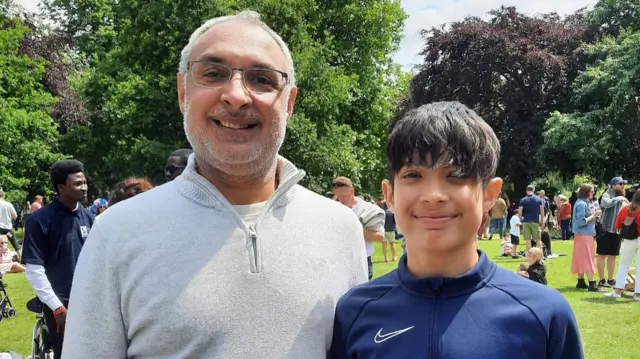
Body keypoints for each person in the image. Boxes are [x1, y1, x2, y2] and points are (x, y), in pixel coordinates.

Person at [63, 11, 367, 359]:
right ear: (183, 92)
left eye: (263, 79)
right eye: (213, 73)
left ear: (290, 103)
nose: (236, 95)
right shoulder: (116, 234)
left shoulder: (340, 229)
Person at [329, 101, 582, 358]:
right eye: (413, 175)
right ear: (390, 194)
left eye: (457, 175)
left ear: (489, 194)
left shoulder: (543, 314)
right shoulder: (355, 313)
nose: (433, 195)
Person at [21, 159, 94, 359]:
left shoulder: (89, 218)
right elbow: (34, 270)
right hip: (60, 303)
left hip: (91, 299)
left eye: (85, 182)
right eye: (77, 184)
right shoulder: (40, 221)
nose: (84, 188)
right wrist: (56, 307)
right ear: (61, 187)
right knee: (68, 353)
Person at [333, 176, 385, 279]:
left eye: (343, 196)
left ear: (352, 191)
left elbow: (379, 237)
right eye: (338, 197)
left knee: (363, 294)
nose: (341, 200)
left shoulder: (368, 210)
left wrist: (357, 228)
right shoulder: (334, 209)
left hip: (362, 261)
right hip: (340, 262)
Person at [604, 190, 640, 301]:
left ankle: (618, 291)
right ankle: (638, 294)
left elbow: (618, 225)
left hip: (629, 240)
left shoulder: (625, 208)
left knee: (624, 265)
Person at [597, 177, 629, 288]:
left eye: (623, 184)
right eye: (620, 184)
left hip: (617, 231)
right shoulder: (607, 194)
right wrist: (618, 199)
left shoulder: (623, 198)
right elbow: (605, 203)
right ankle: (601, 280)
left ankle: (611, 279)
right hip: (605, 230)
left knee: (613, 256)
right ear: (613, 185)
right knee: (602, 255)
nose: (622, 186)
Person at [571, 184, 602, 292]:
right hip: (584, 235)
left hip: (582, 235)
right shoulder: (582, 204)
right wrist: (594, 216)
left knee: (580, 257)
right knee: (588, 258)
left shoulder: (581, 202)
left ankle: (580, 281)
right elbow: (581, 222)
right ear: (586, 192)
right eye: (592, 191)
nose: (593, 194)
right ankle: (592, 283)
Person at [519, 185, 544, 251]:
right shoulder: (538, 199)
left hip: (526, 221)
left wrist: (520, 220)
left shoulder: (523, 200)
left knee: (528, 240)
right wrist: (542, 220)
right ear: (534, 190)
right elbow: (542, 211)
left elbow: (520, 211)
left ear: (526, 191)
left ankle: (530, 255)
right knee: (538, 240)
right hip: (535, 221)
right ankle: (540, 255)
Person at [0, 191, 19, 257]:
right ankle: (21, 258)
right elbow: (15, 216)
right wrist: (9, 218)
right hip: (8, 230)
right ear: (4, 196)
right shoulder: (8, 204)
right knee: (15, 243)